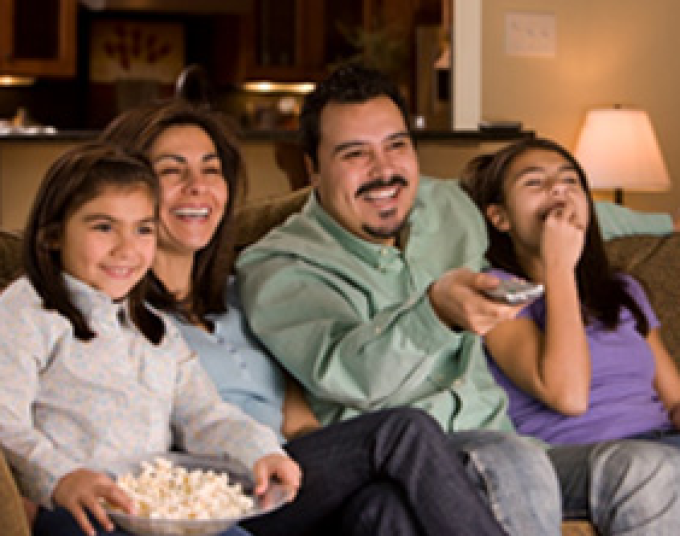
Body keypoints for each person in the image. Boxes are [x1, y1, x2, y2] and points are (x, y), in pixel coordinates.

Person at [235, 63, 680, 535]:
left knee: (646, 469)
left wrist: (664, 223)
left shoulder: (444, 206)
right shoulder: (279, 267)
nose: (384, 170)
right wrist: (434, 315)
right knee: (514, 461)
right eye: (354, 154)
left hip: (512, 443)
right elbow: (349, 374)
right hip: (409, 465)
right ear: (312, 168)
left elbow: (551, 211)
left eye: (396, 146)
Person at [100, 99, 509, 536]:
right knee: (405, 430)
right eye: (172, 171)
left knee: (385, 507)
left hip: (291, 480)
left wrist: (341, 469)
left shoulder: (243, 294)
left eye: (211, 170)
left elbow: (299, 423)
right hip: (212, 490)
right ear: (128, 189)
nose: (197, 186)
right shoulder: (117, 317)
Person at [0, 142, 299, 536]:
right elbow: (5, 421)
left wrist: (261, 450)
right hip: (78, 509)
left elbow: (205, 414)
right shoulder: (25, 311)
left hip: (155, 504)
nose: (127, 249)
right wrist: (61, 478)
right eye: (104, 227)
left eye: (143, 229)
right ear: (53, 236)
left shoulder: (156, 330)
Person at [460, 136, 680, 448]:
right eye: (534, 182)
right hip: (594, 457)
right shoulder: (494, 291)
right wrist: (559, 268)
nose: (559, 188)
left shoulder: (622, 289)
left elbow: (674, 402)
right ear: (500, 217)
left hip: (666, 444)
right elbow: (569, 396)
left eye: (570, 180)